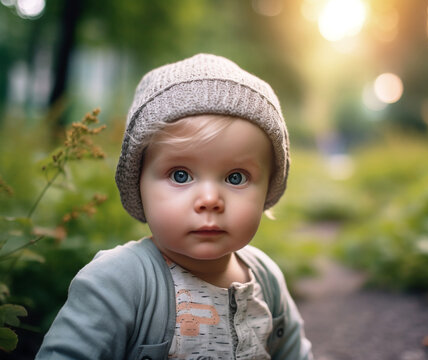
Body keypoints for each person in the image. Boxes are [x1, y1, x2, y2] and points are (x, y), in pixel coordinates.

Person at [35, 53, 313, 360]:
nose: (209, 199)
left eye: (236, 177)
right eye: (180, 175)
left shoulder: (266, 279)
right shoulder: (118, 282)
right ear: (137, 182)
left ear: (268, 187)